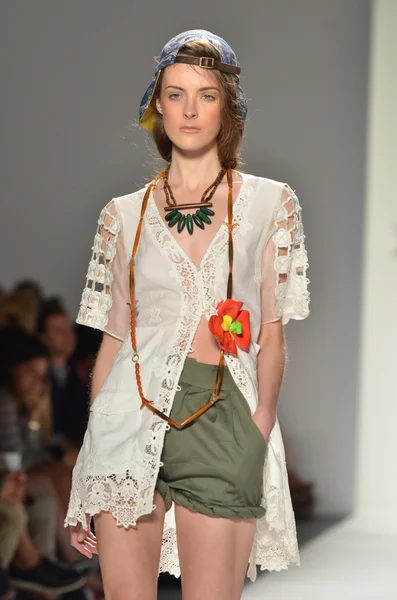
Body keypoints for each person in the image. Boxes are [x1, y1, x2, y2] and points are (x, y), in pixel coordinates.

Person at [65, 29, 310, 600]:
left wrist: (261, 425)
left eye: (205, 94)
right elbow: (111, 341)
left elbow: (271, 334)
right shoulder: (121, 216)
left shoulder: (272, 204)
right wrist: (86, 462)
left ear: (228, 107)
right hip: (130, 410)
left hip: (222, 408)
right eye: (174, 94)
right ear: (157, 106)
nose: (189, 110)